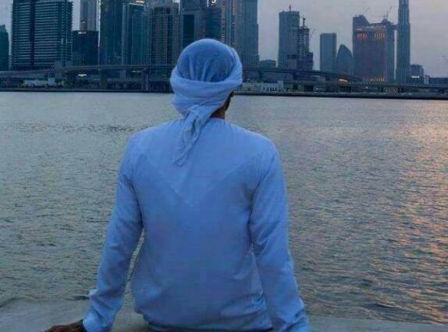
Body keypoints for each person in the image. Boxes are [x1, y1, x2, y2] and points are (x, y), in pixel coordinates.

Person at [48, 39, 309, 332]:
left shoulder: (141, 147)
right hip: (243, 319)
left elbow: (120, 242)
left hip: (162, 315)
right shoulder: (260, 152)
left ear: (179, 86)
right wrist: (295, 327)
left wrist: (96, 321)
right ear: (230, 92)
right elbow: (273, 253)